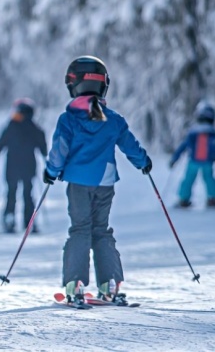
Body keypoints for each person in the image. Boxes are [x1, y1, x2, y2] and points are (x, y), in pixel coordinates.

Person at [44, 56, 151, 307]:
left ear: (73, 85)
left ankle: (76, 284)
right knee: (101, 230)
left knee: (80, 229)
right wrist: (143, 162)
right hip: (105, 182)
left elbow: (59, 150)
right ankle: (110, 283)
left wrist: (51, 171)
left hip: (79, 183)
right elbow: (130, 146)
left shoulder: (69, 119)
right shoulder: (112, 119)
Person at [0, 98, 48, 233]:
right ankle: (29, 222)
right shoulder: (35, 129)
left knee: (11, 194)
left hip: (12, 168)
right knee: (28, 194)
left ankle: (9, 220)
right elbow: (43, 150)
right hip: (29, 167)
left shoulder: (11, 127)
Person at [170, 103, 215, 209]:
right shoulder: (212, 133)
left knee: (188, 179)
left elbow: (183, 146)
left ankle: (184, 199)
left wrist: (175, 158)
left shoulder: (193, 132)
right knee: (209, 179)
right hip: (207, 161)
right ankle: (213, 199)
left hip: (193, 161)